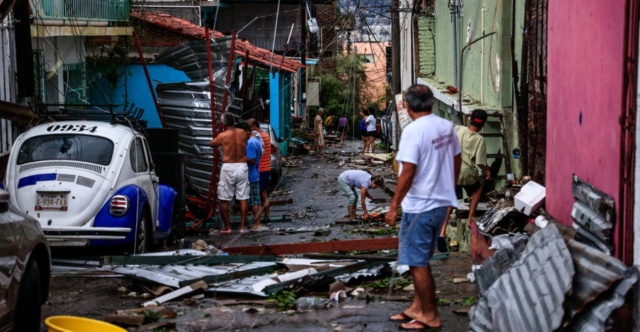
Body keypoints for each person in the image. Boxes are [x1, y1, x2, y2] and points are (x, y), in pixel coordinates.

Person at [384, 84, 461, 331]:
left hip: (420, 207)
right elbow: (456, 160)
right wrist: (449, 187)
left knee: (417, 262)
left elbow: (407, 171)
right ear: (432, 102)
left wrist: (393, 206)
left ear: (407, 105)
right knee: (422, 259)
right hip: (439, 204)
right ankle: (418, 307)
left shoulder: (413, 131)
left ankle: (430, 315)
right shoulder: (446, 127)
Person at [439, 109, 491, 245]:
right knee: (477, 189)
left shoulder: (459, 129)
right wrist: (486, 172)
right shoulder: (480, 139)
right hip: (468, 173)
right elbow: (480, 162)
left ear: (470, 120)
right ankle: (470, 218)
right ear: (483, 125)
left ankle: (442, 231)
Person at [210, 113, 250, 235]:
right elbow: (245, 142)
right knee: (243, 197)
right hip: (242, 166)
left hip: (228, 166)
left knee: (224, 198)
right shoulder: (243, 132)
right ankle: (243, 227)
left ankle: (228, 227)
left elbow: (212, 144)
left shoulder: (222, 135)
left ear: (224, 123)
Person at [248, 118, 272, 224]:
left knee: (259, 195)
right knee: (264, 194)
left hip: (261, 168)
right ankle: (266, 216)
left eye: (249, 127)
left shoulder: (258, 137)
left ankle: (262, 218)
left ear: (254, 126)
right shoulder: (266, 135)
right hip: (265, 167)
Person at [241, 122, 264, 231]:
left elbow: (252, 159)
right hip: (255, 172)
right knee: (257, 200)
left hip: (251, 174)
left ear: (247, 131)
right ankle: (257, 222)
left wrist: (242, 157)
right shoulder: (256, 141)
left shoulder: (250, 143)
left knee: (254, 201)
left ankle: (257, 223)